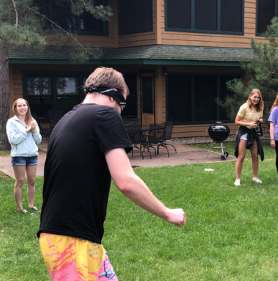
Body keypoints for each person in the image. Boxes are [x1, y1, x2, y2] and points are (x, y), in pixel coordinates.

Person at [37, 67, 186, 281]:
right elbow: (125, 181)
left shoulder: (66, 119)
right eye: (122, 104)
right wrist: (167, 213)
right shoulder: (104, 114)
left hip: (66, 237)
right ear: (114, 93)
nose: (120, 111)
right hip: (73, 240)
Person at [6, 98, 42, 213]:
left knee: (31, 181)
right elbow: (13, 140)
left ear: (27, 107)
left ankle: (31, 205)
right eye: (19, 106)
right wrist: (27, 131)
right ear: (15, 108)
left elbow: (38, 140)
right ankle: (19, 208)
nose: (22, 108)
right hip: (19, 156)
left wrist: (34, 130)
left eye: (24, 105)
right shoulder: (12, 122)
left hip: (32, 155)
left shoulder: (32, 121)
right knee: (20, 181)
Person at [234, 88, 264, 186]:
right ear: (250, 96)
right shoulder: (244, 107)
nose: (256, 99)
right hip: (243, 132)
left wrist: (259, 121)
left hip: (253, 132)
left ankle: (255, 177)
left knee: (255, 156)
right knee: (241, 156)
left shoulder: (260, 108)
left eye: (258, 98)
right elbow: (237, 121)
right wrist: (249, 124)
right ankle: (237, 179)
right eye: (254, 97)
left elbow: (259, 118)